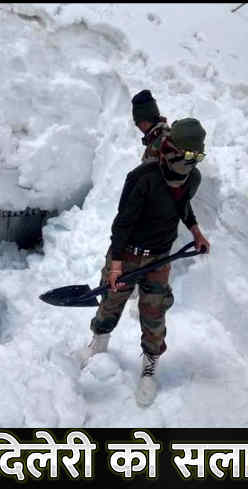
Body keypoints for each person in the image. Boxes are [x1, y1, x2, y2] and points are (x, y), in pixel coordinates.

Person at [79, 118, 212, 407]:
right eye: (187, 155)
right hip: (127, 253)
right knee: (111, 301)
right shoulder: (143, 177)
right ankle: (98, 344)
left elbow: (183, 205)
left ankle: (150, 368)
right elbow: (122, 223)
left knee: (155, 313)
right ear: (172, 148)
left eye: (197, 157)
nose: (190, 163)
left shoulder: (193, 178)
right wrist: (115, 264)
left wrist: (196, 230)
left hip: (160, 256)